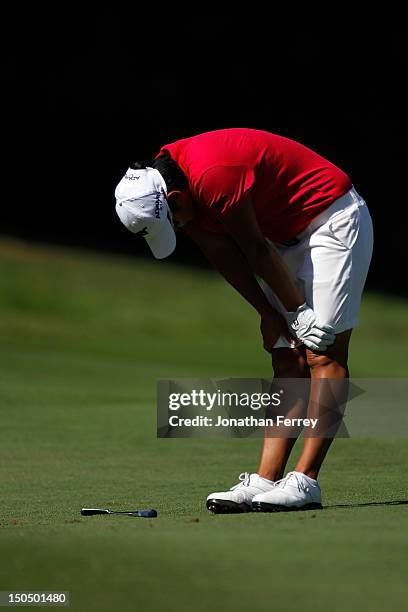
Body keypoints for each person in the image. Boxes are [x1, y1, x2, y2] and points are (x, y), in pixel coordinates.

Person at [114, 128, 373, 512]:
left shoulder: (212, 175)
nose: (181, 227)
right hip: (283, 237)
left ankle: (306, 482)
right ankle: (266, 479)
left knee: (324, 351)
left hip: (332, 218)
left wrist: (299, 313)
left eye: (176, 220)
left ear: (174, 199)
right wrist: (268, 313)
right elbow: (223, 252)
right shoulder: (172, 183)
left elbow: (253, 248)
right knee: (286, 352)